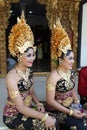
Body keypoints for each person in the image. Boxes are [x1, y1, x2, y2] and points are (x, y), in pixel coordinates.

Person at [3, 12, 56, 130]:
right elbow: (20, 108)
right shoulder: (11, 77)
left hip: (28, 107)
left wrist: (38, 103)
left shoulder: (29, 72)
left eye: (33, 54)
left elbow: (31, 93)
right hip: (14, 115)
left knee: (54, 120)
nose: (33, 58)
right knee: (46, 124)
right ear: (19, 56)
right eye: (28, 55)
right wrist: (44, 117)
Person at [46, 19, 87, 130]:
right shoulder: (53, 76)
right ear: (61, 60)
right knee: (82, 126)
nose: (73, 61)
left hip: (71, 106)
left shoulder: (71, 72)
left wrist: (77, 103)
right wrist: (71, 112)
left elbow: (72, 89)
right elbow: (50, 101)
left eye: (73, 58)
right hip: (57, 110)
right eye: (70, 58)